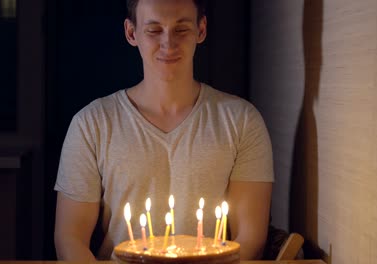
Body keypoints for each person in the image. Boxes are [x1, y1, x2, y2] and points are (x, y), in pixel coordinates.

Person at [54, 0, 274, 261]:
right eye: (154, 30)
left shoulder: (242, 122)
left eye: (181, 29)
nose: (169, 43)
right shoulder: (92, 125)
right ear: (131, 33)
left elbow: (250, 240)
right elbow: (70, 238)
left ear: (201, 30)